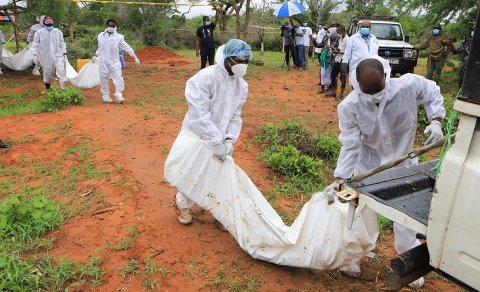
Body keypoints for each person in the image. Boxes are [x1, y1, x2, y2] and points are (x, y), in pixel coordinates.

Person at [326, 57, 445, 287]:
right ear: (357, 85)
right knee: (358, 213)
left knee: (406, 217)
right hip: (368, 167)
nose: (373, 95)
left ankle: (409, 261)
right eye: (366, 91)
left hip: (403, 165)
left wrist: (437, 120)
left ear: (387, 78)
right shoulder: (350, 106)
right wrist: (341, 177)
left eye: (377, 89)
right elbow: (350, 145)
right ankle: (351, 257)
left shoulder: (408, 86)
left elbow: (432, 92)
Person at [175, 39, 252, 224]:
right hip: (198, 134)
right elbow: (199, 113)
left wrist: (228, 140)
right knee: (194, 171)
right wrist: (213, 139)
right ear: (226, 57)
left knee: (219, 173)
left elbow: (235, 115)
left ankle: (218, 210)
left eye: (246, 60)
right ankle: (182, 204)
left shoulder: (241, 85)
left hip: (221, 137)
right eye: (238, 59)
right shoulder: (204, 78)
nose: (243, 64)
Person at [93, 19, 140, 104]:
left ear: (115, 26)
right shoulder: (101, 36)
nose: (111, 27)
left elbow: (126, 47)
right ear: (107, 26)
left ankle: (119, 94)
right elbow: (100, 47)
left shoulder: (118, 37)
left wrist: (134, 56)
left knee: (118, 77)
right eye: (110, 25)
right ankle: (105, 96)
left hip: (114, 62)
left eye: (113, 26)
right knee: (103, 78)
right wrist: (95, 55)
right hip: (103, 61)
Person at [31, 16, 68, 90]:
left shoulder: (58, 32)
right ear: (44, 23)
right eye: (47, 22)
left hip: (58, 56)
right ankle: (48, 89)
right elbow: (35, 44)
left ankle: (63, 91)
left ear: (53, 22)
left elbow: (62, 43)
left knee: (62, 72)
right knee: (47, 74)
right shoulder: (39, 33)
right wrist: (34, 55)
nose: (49, 23)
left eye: (51, 21)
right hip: (45, 57)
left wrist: (64, 53)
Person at [341, 20, 379, 91]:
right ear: (359, 27)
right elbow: (347, 54)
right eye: (363, 26)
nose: (365, 28)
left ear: (370, 27)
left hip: (371, 71)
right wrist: (343, 67)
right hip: (357, 69)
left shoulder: (374, 38)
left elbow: (376, 54)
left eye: (367, 27)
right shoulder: (353, 38)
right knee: (356, 91)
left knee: (369, 91)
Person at [314, 26, 339, 94]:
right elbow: (319, 45)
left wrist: (332, 47)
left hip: (332, 59)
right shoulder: (325, 38)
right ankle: (322, 88)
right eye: (327, 31)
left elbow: (338, 49)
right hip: (324, 58)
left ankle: (331, 88)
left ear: (333, 32)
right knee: (322, 73)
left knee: (331, 74)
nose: (327, 33)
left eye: (329, 32)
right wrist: (314, 40)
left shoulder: (337, 39)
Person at [328, 25, 349, 99]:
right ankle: (333, 91)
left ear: (342, 31)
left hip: (343, 60)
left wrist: (338, 52)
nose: (337, 34)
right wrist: (334, 48)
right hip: (337, 59)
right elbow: (339, 49)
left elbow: (348, 52)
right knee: (333, 75)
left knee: (342, 77)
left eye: (338, 32)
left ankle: (341, 94)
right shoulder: (340, 38)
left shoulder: (347, 39)